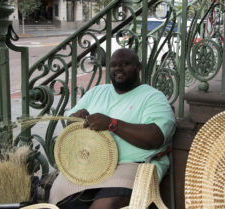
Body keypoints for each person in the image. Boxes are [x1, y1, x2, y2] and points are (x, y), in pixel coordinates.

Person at [49, 48, 176, 209]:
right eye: (114, 65)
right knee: (63, 202)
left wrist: (112, 124)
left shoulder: (152, 96)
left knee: (105, 206)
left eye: (125, 64)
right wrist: (76, 119)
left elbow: (155, 138)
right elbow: (71, 122)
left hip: (133, 165)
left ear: (138, 67)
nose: (118, 68)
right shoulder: (97, 92)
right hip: (89, 166)